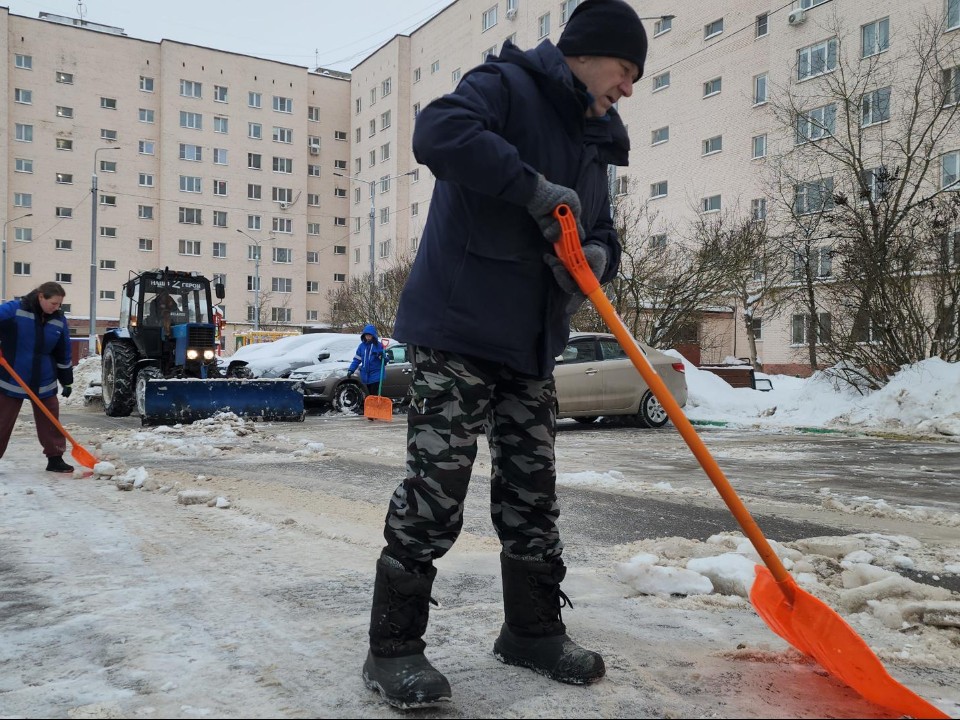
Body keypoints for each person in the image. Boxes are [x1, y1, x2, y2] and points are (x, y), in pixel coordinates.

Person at [362, 0, 647, 709]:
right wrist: (527, 188)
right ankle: (392, 648)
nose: (630, 88)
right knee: (437, 493)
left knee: (532, 494)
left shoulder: (595, 139)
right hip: (458, 326)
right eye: (627, 69)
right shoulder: (506, 86)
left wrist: (598, 259)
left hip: (530, 340)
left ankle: (532, 631)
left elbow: (603, 229)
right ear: (588, 52)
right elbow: (439, 132)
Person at [0, 281, 75, 473]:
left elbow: (63, 350)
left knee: (51, 420)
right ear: (41, 296)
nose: (57, 308)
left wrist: (66, 379)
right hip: (12, 376)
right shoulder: (14, 310)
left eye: (60, 304)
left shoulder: (59, 319)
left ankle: (55, 458)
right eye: (54, 303)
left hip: (44, 378)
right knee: (2, 420)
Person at [347, 324, 387, 397]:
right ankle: (371, 406)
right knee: (370, 394)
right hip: (365, 375)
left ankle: (375, 407)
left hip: (376, 374)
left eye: (369, 335)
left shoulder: (379, 345)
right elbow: (357, 359)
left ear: (373, 335)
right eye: (366, 335)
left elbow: (385, 361)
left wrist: (381, 355)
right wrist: (351, 369)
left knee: (374, 394)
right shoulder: (362, 346)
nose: (368, 337)